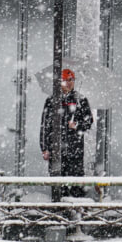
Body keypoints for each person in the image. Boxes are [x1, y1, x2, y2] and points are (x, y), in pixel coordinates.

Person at [40, 68, 94, 202]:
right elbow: (45, 125)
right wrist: (45, 148)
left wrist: (76, 125)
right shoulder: (51, 100)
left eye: (71, 80)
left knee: (76, 184)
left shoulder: (80, 100)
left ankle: (76, 214)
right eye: (65, 80)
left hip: (75, 150)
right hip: (56, 151)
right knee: (58, 185)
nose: (69, 83)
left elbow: (89, 121)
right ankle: (59, 213)